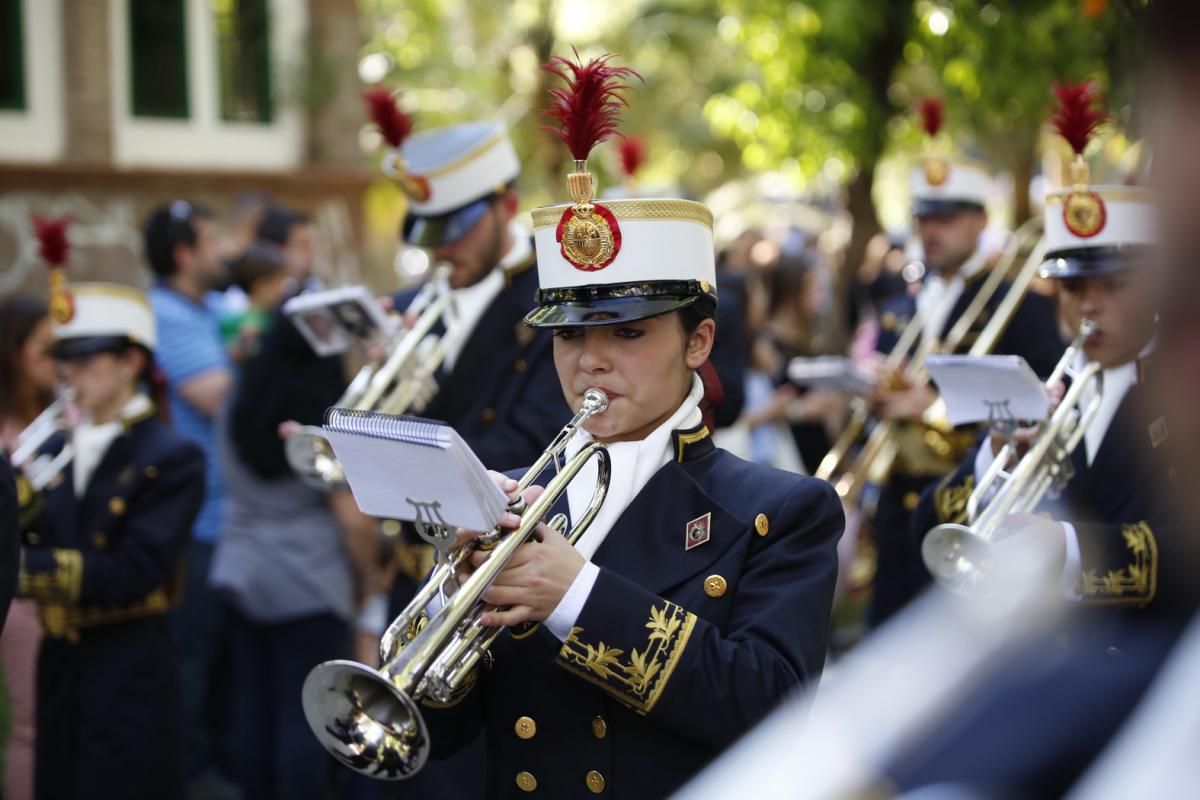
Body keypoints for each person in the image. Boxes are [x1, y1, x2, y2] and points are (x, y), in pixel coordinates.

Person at [408, 53, 844, 798]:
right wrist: (453, 597)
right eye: (571, 336)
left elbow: (771, 708)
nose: (592, 362)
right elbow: (443, 734)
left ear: (698, 344)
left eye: (629, 335)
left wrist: (576, 594)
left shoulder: (779, 511)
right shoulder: (525, 497)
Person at [915, 95, 1173, 614]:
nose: (1089, 306)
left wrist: (1072, 549)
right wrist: (997, 455)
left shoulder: (1179, 389)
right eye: (1073, 290)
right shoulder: (1045, 388)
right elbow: (932, 518)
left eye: (1113, 286)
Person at [862, 106, 1064, 626]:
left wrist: (934, 407)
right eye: (923, 217)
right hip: (898, 498)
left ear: (981, 220)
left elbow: (1041, 402)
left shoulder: (1023, 302)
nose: (931, 230)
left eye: (946, 217)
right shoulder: (902, 301)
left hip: (968, 500)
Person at [14, 282, 204, 800]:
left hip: (127, 670)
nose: (66, 373)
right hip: (60, 665)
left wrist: (17, 567)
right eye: (62, 359)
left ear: (131, 361)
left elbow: (132, 570)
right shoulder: (54, 445)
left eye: (83, 358)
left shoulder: (170, 454)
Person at [209, 298, 383, 800]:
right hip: (310, 582)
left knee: (253, 715)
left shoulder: (237, 398)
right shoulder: (320, 419)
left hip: (240, 570)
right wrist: (370, 578)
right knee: (306, 722)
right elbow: (352, 521)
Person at [372, 90, 568, 474]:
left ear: (508, 207)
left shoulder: (554, 298)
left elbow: (532, 444)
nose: (443, 247)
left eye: (459, 227)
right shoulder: (413, 304)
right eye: (434, 233)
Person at [143, 200, 236, 793]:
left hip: (222, 520)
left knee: (219, 665)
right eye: (209, 241)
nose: (220, 252)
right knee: (191, 665)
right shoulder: (165, 314)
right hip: (194, 526)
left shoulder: (206, 309)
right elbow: (219, 397)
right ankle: (187, 778)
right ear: (183, 254)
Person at [0, 295, 58, 800]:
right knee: (31, 724)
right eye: (46, 350)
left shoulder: (57, 414)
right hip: (17, 587)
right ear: (13, 353)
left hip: (59, 584)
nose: (60, 363)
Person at [219, 241, 289, 362]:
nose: (283, 288)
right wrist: (244, 339)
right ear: (260, 286)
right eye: (278, 282)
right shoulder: (233, 322)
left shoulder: (279, 315)